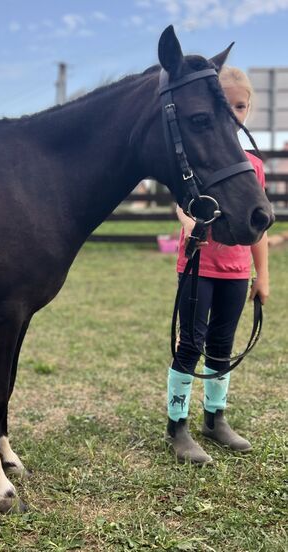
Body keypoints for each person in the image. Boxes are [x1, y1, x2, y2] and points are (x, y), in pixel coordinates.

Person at [165, 66, 270, 464]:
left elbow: (257, 226)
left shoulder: (252, 166)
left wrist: (263, 276)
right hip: (198, 266)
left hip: (237, 270)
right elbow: (181, 198)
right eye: (225, 105)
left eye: (240, 105)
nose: (234, 112)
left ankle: (215, 419)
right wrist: (189, 221)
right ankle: (177, 424)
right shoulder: (200, 154)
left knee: (222, 347)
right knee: (190, 343)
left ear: (248, 109)